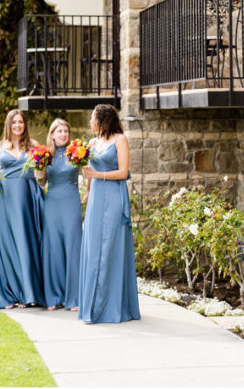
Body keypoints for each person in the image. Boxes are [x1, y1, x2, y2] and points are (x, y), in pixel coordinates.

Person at [78, 104, 140, 324]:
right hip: (96, 197)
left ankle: (111, 306)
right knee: (94, 247)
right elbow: (87, 172)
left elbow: (124, 172)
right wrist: (86, 190)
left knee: (111, 247)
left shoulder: (120, 140)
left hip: (114, 196)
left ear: (102, 119)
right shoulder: (92, 143)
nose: (90, 122)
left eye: (93, 118)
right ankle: (92, 305)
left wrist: (96, 174)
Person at [0, 109, 46, 309]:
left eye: (20, 122)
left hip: (28, 198)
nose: (17, 126)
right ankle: (9, 293)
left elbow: (41, 175)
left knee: (27, 243)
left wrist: (41, 181)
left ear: (25, 125)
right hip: (5, 199)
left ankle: (27, 293)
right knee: (7, 245)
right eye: (14, 123)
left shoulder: (34, 146)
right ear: (8, 125)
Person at [41, 118, 83, 312]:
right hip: (52, 205)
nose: (63, 134)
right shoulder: (45, 156)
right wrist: (37, 171)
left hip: (71, 202)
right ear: (52, 134)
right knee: (53, 248)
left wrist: (90, 192)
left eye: (66, 131)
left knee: (73, 247)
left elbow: (90, 171)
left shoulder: (76, 152)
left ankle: (73, 297)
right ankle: (54, 297)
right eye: (59, 131)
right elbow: (41, 183)